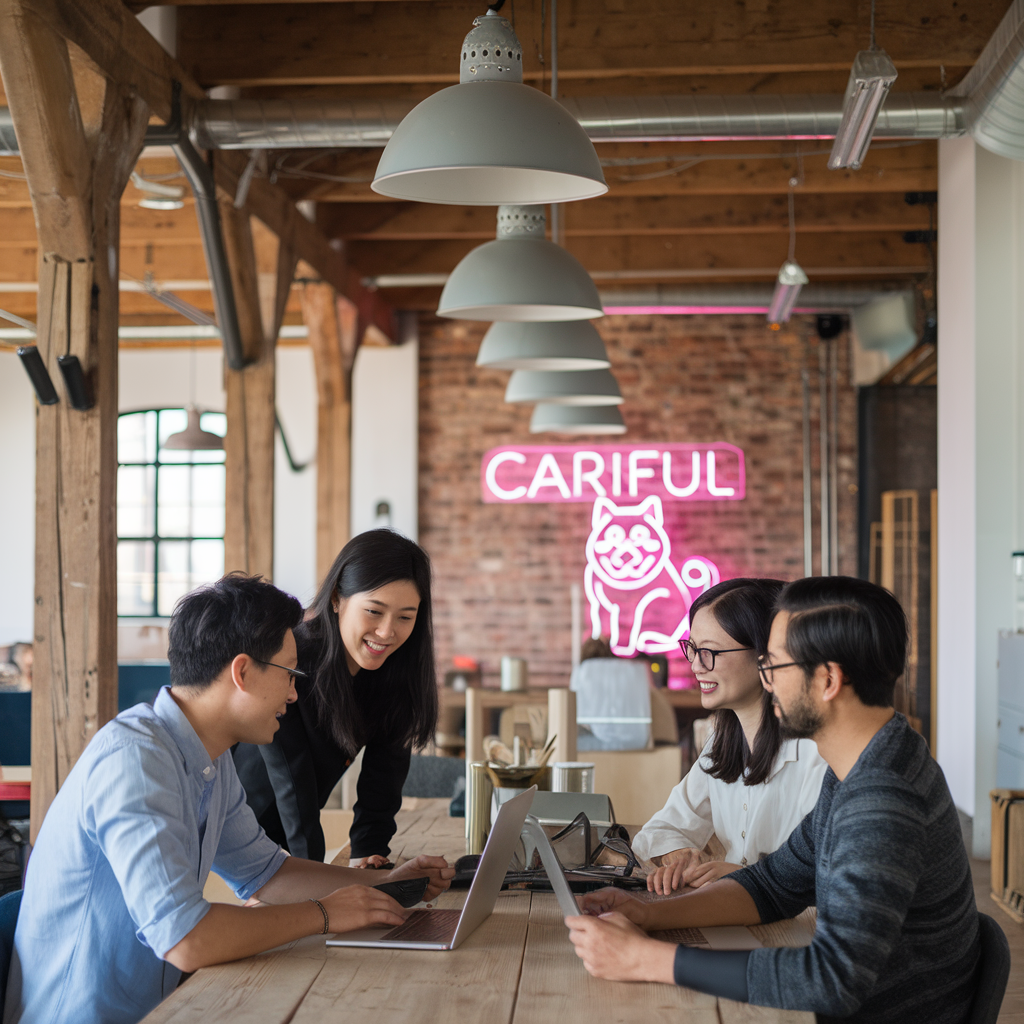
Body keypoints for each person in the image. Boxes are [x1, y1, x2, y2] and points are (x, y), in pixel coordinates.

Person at [3, 574, 453, 1024]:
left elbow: (265, 873)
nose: (295, 694)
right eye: (290, 674)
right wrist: (324, 914)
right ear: (242, 672)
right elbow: (186, 940)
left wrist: (387, 884)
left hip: (164, 1008)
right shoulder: (136, 760)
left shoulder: (207, 758)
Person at [567, 576, 980, 1024]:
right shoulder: (862, 763)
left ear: (827, 679)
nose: (766, 679)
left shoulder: (881, 798)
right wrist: (647, 915)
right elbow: (774, 885)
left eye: (775, 665)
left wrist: (645, 959)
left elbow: (832, 980)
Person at [233, 530, 438, 865]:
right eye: (374, 611)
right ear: (337, 598)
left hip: (284, 848)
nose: (387, 632)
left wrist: (368, 853)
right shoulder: (292, 661)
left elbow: (385, 775)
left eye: (405, 617)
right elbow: (291, 778)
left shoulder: (393, 675)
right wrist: (314, 876)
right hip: (231, 842)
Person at [634, 578, 827, 892]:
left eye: (709, 652)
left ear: (768, 655)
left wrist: (742, 876)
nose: (696, 666)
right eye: (692, 649)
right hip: (736, 912)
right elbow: (660, 829)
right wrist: (680, 855)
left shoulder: (817, 753)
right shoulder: (723, 742)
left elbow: (824, 873)